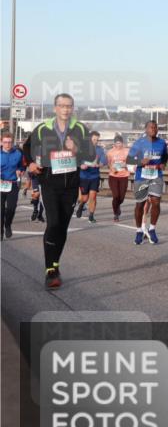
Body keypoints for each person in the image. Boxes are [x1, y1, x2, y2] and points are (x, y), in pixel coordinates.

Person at [22, 93, 95, 288]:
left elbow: (91, 155)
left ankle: (55, 264)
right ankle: (50, 270)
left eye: (69, 106)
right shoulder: (43, 128)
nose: (65, 109)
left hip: (70, 185)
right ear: (55, 108)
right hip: (49, 183)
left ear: (73, 108)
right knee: (53, 223)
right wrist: (30, 164)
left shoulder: (80, 129)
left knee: (62, 227)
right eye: (62, 106)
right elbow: (27, 147)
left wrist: (76, 148)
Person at [127, 121, 168, 245]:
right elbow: (129, 159)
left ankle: (152, 229)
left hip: (156, 176)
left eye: (155, 127)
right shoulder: (139, 143)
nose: (153, 129)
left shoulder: (162, 143)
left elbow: (165, 157)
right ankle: (139, 230)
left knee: (156, 201)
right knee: (140, 204)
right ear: (146, 129)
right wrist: (140, 162)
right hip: (141, 177)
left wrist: (163, 164)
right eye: (151, 127)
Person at [75, 131, 107, 223]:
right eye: (94, 139)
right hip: (84, 176)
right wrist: (81, 165)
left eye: (97, 140)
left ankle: (91, 216)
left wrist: (99, 164)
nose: (95, 142)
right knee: (84, 198)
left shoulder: (100, 149)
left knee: (93, 196)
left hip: (94, 176)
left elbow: (104, 161)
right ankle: (81, 206)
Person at [1, 131, 25, 240]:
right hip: (0, 183)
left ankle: (8, 225)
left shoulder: (18, 153)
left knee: (11, 207)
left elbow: (22, 166)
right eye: (5, 142)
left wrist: (20, 170)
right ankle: (0, 230)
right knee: (1, 209)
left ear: (12, 142)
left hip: (13, 183)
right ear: (1, 142)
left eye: (10, 142)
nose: (7, 144)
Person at [106, 135, 130, 222]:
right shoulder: (110, 152)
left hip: (124, 176)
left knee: (121, 197)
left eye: (120, 143)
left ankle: (118, 205)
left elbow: (130, 162)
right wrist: (111, 168)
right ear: (114, 143)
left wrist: (126, 165)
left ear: (122, 143)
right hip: (113, 176)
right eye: (117, 143)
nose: (118, 145)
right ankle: (116, 214)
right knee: (116, 196)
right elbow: (108, 163)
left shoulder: (127, 151)